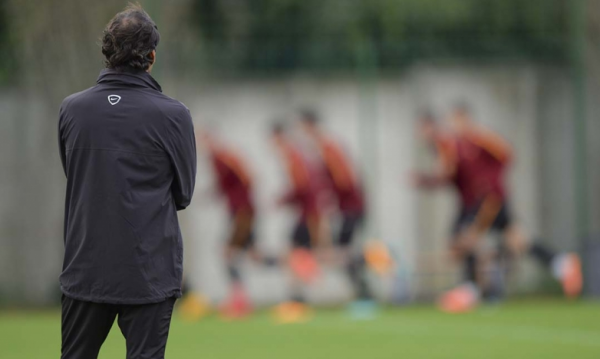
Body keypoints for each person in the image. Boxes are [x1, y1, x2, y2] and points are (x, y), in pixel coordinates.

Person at [58, 5, 196, 358]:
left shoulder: (72, 109)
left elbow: (76, 176)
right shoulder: (173, 115)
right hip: (148, 271)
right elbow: (183, 193)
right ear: (152, 55)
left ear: (106, 53)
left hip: (85, 268)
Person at [414, 106, 582, 313]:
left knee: (466, 239)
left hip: (490, 199)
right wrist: (425, 178)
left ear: (466, 120)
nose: (452, 126)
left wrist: (489, 181)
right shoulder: (455, 147)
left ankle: (473, 289)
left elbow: (506, 154)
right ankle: (562, 264)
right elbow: (447, 173)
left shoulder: (479, 139)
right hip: (475, 202)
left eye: (455, 121)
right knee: (517, 241)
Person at [298, 110, 374, 309]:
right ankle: (363, 294)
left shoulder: (329, 149)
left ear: (311, 127)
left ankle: (370, 284)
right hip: (346, 208)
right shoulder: (323, 150)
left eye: (305, 129)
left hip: (352, 207)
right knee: (340, 252)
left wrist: (327, 199)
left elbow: (345, 180)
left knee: (342, 252)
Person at [197, 129, 257, 319]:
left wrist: (241, 203)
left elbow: (248, 178)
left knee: (228, 253)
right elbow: (226, 184)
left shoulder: (224, 156)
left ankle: (239, 301)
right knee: (251, 254)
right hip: (239, 211)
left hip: (242, 212)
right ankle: (240, 299)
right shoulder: (219, 158)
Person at [270, 123, 321, 323]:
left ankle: (297, 301)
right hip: (307, 214)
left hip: (308, 215)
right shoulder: (296, 156)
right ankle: (298, 299)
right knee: (298, 254)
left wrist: (284, 199)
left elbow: (302, 186)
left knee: (298, 255)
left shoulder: (293, 157)